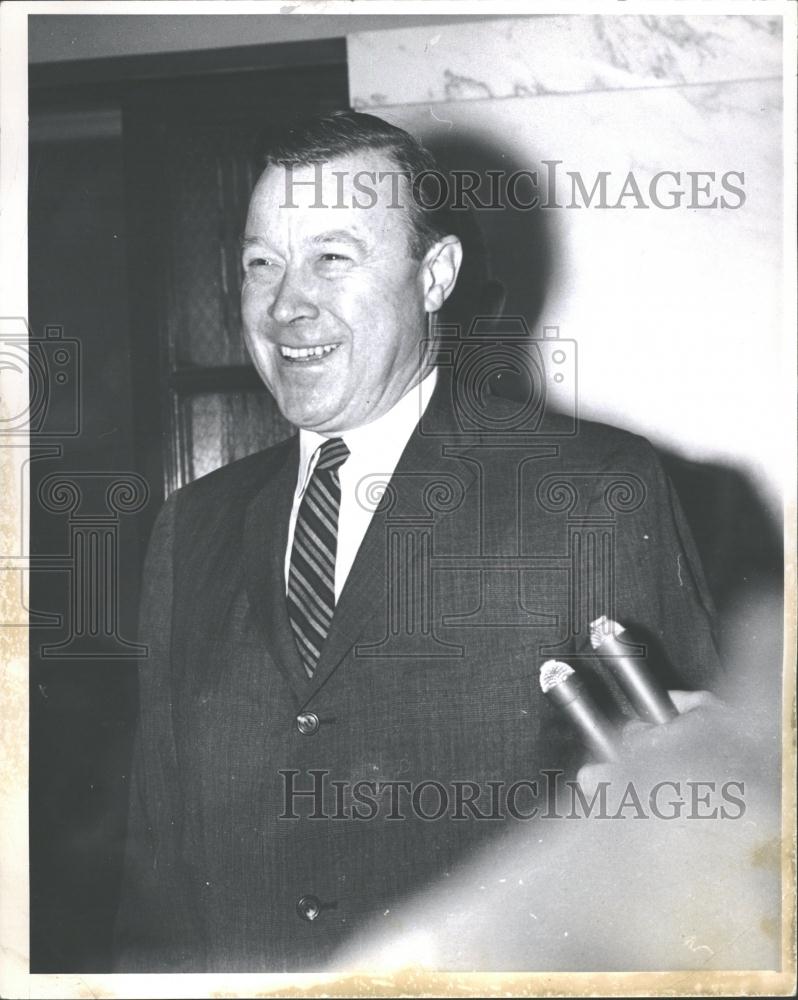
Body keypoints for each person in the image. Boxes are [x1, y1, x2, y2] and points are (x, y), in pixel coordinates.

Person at [113, 111, 722, 973]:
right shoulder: (191, 528)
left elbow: (699, 858)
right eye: (261, 263)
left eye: (332, 257)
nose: (288, 304)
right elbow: (157, 886)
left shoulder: (594, 491)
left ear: (434, 275)